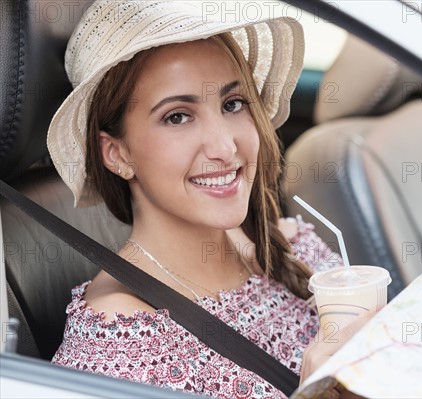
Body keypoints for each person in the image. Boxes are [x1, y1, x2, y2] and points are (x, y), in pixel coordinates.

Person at [47, 1, 358, 398]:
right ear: (117, 154)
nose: (225, 147)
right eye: (177, 116)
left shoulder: (290, 245)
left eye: (233, 104)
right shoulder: (120, 347)